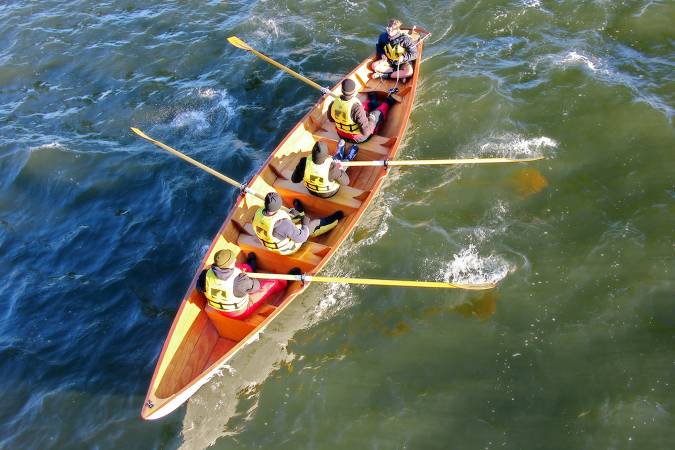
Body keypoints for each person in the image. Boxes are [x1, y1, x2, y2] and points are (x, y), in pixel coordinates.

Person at [197, 249, 287, 319]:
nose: (235, 259)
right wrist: (244, 281)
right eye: (233, 259)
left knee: (241, 268)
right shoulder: (240, 281)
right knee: (271, 283)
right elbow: (256, 287)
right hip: (239, 312)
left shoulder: (205, 274)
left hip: (218, 310)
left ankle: (250, 267)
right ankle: (286, 282)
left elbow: (199, 288)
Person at [252, 192, 343, 255]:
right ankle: (334, 220)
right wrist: (305, 225)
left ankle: (300, 213)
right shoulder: (284, 224)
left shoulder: (258, 214)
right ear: (279, 206)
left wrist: (291, 214)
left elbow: (277, 218)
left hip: (273, 245)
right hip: (289, 248)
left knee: (291, 214)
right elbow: (301, 238)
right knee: (314, 223)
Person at [327, 78, 395, 144]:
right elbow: (366, 132)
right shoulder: (356, 108)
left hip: (341, 135)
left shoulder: (333, 103)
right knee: (376, 113)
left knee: (364, 105)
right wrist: (371, 119)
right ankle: (389, 101)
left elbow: (331, 119)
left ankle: (373, 100)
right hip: (358, 139)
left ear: (341, 90)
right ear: (354, 91)